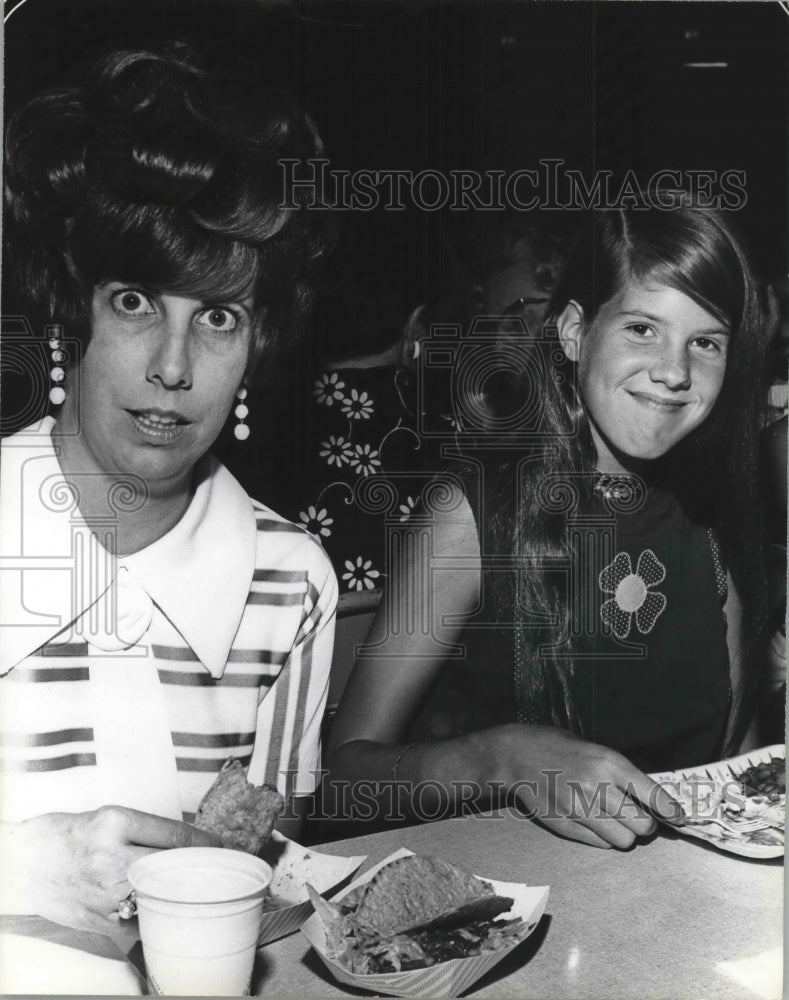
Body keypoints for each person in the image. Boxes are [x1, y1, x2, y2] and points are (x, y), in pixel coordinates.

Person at [0, 45, 336, 943]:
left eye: (218, 318)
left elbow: (263, 876)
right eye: (137, 303)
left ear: (258, 347)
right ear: (74, 314)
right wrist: (30, 867)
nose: (174, 368)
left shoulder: (292, 582)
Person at [325, 198, 770, 850]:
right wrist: (500, 759)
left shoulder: (711, 522)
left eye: (704, 342)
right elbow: (339, 782)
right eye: (641, 329)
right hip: (506, 914)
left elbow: (742, 778)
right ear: (572, 333)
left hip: (675, 918)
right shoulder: (468, 520)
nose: (674, 372)